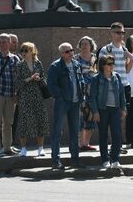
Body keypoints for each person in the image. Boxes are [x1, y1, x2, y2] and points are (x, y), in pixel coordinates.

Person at [47, 42, 84, 170]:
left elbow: (81, 81)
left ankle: (75, 160)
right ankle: (56, 161)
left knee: (75, 132)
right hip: (63, 102)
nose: (71, 53)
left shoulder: (76, 64)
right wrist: (60, 96)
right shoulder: (55, 66)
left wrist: (82, 94)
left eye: (72, 50)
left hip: (75, 102)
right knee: (57, 131)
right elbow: (51, 84)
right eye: (67, 51)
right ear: (62, 53)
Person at [90, 55, 127, 170]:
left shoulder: (117, 77)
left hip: (115, 109)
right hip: (102, 110)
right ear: (103, 65)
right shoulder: (96, 78)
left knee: (116, 134)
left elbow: (121, 93)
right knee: (103, 135)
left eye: (113, 63)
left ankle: (115, 159)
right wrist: (95, 111)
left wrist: (123, 108)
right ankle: (105, 159)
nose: (112, 66)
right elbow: (92, 97)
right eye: (109, 64)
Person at [12, 42, 49, 157]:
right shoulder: (19, 65)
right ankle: (23, 148)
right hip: (25, 97)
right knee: (24, 121)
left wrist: (39, 79)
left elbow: (44, 80)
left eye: (26, 51)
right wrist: (29, 78)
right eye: (22, 50)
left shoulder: (38, 63)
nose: (23, 53)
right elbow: (17, 83)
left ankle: (41, 148)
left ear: (32, 51)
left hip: (38, 96)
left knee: (40, 120)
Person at [74, 36, 98, 152]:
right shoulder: (75, 59)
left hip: (92, 92)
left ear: (91, 46)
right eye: (82, 44)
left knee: (91, 118)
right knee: (80, 118)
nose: (84, 46)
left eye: (86, 44)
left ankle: (86, 143)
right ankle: (79, 143)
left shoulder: (96, 59)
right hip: (80, 92)